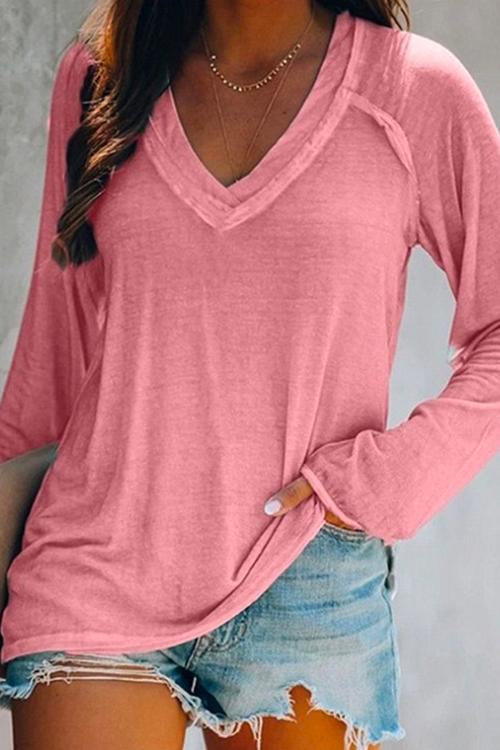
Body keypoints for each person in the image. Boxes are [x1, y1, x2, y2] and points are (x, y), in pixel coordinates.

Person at [0, 0, 499, 748]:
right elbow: (55, 350)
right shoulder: (101, 75)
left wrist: (384, 483)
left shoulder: (411, 90)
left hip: (306, 574)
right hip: (95, 564)